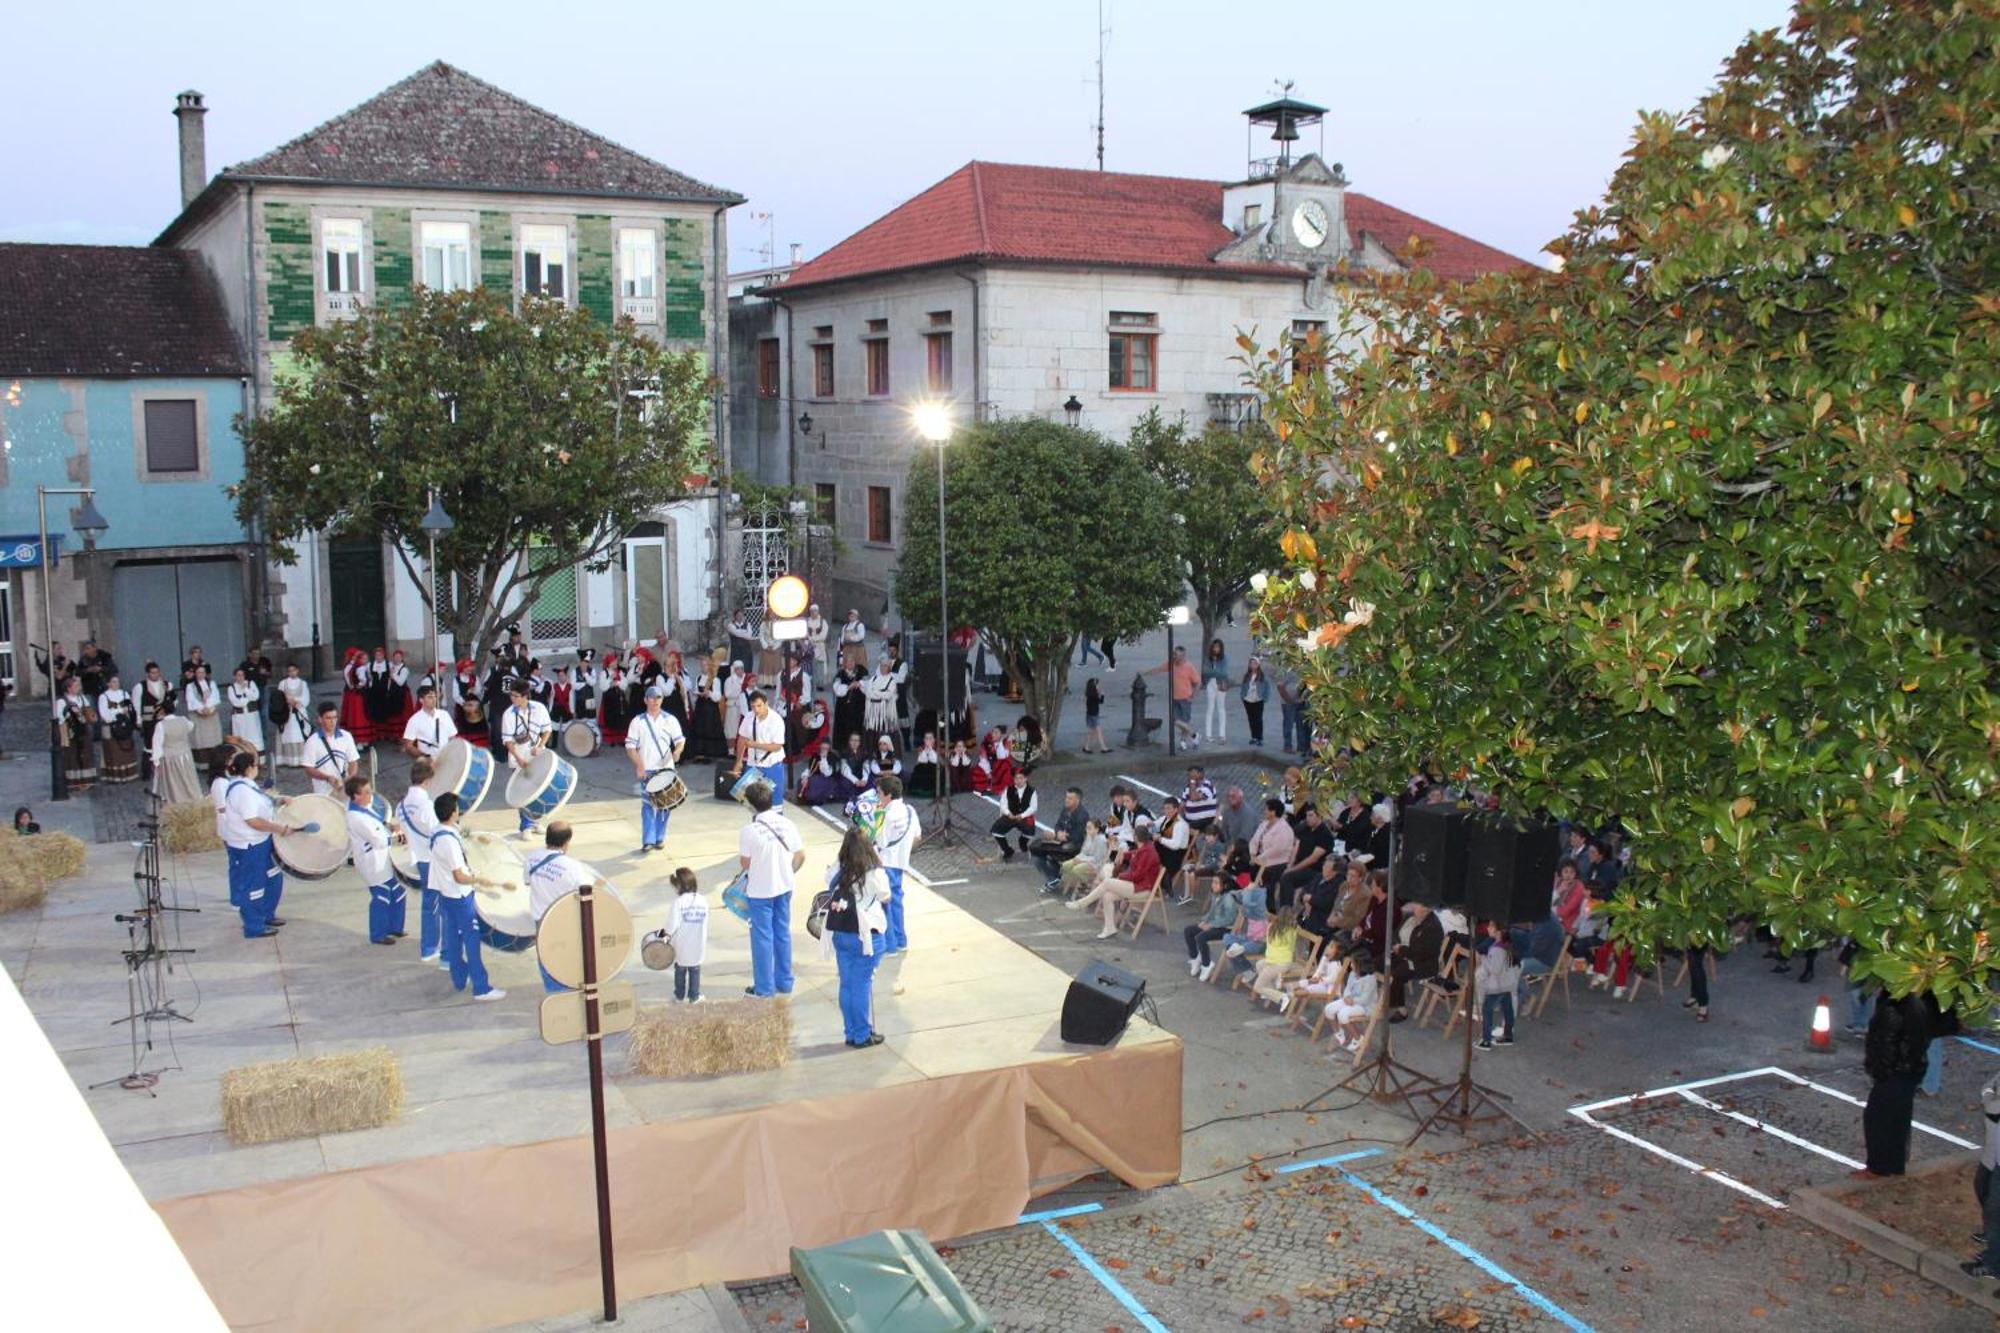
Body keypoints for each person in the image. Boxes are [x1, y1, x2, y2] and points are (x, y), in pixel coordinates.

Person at [427, 793, 506, 1002]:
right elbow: (459, 876)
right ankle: (481, 988)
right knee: (471, 941)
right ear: (453, 812)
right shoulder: (449, 843)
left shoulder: (437, 832)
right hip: (460, 898)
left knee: (453, 940)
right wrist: (478, 880)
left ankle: (460, 978)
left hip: (446, 895)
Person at [823, 825, 892, 1049]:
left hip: (841, 932)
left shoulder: (838, 868)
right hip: (867, 934)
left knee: (847, 984)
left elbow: (827, 879)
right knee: (861, 985)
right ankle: (862, 1034)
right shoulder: (874, 872)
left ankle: (851, 1031)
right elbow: (886, 896)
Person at [738, 781, 805, 996]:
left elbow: (746, 864)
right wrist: (788, 872)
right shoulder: (787, 824)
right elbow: (800, 855)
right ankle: (785, 981)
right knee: (782, 933)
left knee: (762, 938)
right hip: (784, 887)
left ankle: (764, 987)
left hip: (760, 891)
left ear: (751, 805)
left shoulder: (749, 831)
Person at [525, 821, 609, 993]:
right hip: (563, 920)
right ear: (566, 842)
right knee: (567, 957)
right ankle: (565, 990)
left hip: (540, 919)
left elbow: (527, 881)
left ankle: (552, 991)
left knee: (546, 957)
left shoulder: (531, 857)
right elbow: (589, 892)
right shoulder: (572, 867)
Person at [220, 751, 294, 938]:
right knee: (254, 886)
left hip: (261, 841)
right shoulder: (241, 791)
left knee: (273, 877)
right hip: (249, 845)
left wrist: (279, 800)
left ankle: (266, 914)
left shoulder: (247, 786)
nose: (258, 768)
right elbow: (253, 820)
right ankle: (254, 926)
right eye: (256, 765)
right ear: (249, 768)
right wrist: (279, 828)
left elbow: (261, 802)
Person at [1067, 824, 1163, 939]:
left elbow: (1137, 875)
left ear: (1136, 837)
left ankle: (1081, 903)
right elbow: (1135, 854)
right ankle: (1110, 928)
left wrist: (1120, 876)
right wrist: (1124, 854)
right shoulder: (1146, 847)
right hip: (1137, 885)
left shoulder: (1148, 852)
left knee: (1108, 882)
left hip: (1142, 889)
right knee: (1107, 896)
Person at [345, 775, 404, 945]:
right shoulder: (355, 818)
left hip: (383, 859)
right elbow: (377, 841)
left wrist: (389, 825)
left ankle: (395, 927)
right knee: (382, 896)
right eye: (367, 792)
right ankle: (378, 934)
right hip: (373, 862)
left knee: (398, 892)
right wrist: (398, 839)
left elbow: (377, 821)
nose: (371, 795)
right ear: (356, 796)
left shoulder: (362, 807)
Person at [627, 688, 686, 853]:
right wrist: (639, 765)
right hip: (647, 770)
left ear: (662, 699)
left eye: (658, 698)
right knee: (647, 806)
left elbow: (680, 740)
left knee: (665, 806)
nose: (655, 701)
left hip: (666, 769)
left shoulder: (671, 720)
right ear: (645, 700)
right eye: (651, 698)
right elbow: (630, 747)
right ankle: (648, 840)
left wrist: (678, 751)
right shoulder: (637, 721)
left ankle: (659, 838)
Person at [399, 758, 445, 965]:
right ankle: (433, 946)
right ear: (427, 781)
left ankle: (429, 945)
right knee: (440, 905)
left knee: (429, 904)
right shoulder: (426, 805)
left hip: (417, 856)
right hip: (432, 859)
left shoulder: (402, 804)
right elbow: (438, 832)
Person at [500, 679, 555, 838]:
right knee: (523, 790)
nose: (513, 699)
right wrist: (518, 759)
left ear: (525, 696)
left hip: (537, 755)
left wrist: (540, 746)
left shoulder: (539, 708)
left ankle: (536, 821)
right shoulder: (508, 714)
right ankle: (525, 826)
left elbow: (547, 730)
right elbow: (507, 741)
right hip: (518, 756)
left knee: (539, 789)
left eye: (516, 696)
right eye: (511, 695)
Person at [871, 774, 920, 952]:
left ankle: (890, 945)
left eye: (879, 793)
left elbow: (881, 841)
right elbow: (917, 837)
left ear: (888, 795)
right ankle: (900, 940)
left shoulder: (886, 814)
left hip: (885, 863)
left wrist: (876, 817)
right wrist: (903, 852)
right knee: (897, 902)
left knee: (886, 903)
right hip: (900, 864)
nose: (877, 797)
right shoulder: (910, 810)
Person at [1964, 1071, 2000, 1283]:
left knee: (1995, 1208)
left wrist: (1991, 1099)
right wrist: (1990, 1097)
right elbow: (1988, 1087)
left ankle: (1994, 1262)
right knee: (1984, 1189)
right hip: (1994, 1151)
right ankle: (1994, 1250)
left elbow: (1993, 1105)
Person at [1030, 787, 1089, 892]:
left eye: (1070, 798)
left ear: (1077, 800)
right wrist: (1057, 833)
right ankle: (1053, 877)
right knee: (1034, 847)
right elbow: (1058, 825)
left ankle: (1054, 878)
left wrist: (1060, 836)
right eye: (1066, 797)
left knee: (1047, 852)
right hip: (1060, 841)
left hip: (1073, 846)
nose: (1066, 800)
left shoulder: (1082, 815)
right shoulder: (1065, 809)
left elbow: (1078, 836)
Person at [735, 689, 788, 806]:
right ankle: (756, 823)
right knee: (751, 803)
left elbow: (777, 746)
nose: (756, 710)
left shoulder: (776, 720)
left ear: (766, 703)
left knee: (774, 804)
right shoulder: (749, 717)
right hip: (753, 764)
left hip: (772, 765)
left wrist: (754, 744)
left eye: (759, 706)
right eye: (753, 706)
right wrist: (738, 762)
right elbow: (742, 739)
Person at [1145, 645, 1201, 750]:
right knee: (1175, 720)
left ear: (1183, 656)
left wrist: (1193, 695)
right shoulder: (1171, 664)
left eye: (1176, 654)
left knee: (1184, 722)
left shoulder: (1189, 667)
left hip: (1185, 698)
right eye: (1174, 654)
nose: (1174, 656)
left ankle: (1183, 742)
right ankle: (1194, 735)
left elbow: (1198, 682)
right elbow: (1159, 669)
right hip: (1175, 697)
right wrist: (1145, 673)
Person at [1326, 950, 1381, 1053]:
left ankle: (1358, 1038)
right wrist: (1346, 996)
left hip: (1365, 1006)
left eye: (1353, 963)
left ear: (1361, 965)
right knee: (1329, 1009)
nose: (1351, 965)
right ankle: (1339, 1033)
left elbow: (1366, 999)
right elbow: (1347, 988)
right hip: (1350, 1000)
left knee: (1343, 1014)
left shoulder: (1370, 979)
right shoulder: (1352, 973)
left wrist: (1353, 1000)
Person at [303, 702, 360, 797]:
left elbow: (353, 761)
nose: (333, 721)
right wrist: (327, 778)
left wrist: (350, 777)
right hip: (322, 792)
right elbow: (308, 768)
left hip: (344, 789)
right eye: (328, 718)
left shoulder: (346, 736)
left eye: (335, 717)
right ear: (320, 719)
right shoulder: (312, 741)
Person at [53, 676, 96, 790]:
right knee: (72, 756)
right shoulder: (62, 701)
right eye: (76, 686)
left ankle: (86, 781)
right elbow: (59, 718)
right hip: (71, 732)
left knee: (85, 754)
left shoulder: (82, 698)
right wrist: (70, 718)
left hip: (83, 730)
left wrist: (89, 716)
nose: (78, 688)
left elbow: (89, 712)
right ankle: (74, 783)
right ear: (68, 688)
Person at [96, 674, 140, 783]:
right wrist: (119, 711)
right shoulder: (104, 697)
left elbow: (131, 708)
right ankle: (115, 776)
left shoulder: (124, 694)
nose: (116, 684)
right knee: (113, 750)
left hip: (124, 726)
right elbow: (104, 715)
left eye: (117, 682)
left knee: (126, 749)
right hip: (111, 727)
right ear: (108, 683)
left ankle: (129, 774)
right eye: (114, 681)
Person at [989, 768, 1039, 862]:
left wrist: (1022, 815)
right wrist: (1008, 813)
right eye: (1016, 778)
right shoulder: (1008, 789)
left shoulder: (1032, 791)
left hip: (1024, 818)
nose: (1018, 781)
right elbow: (1003, 804)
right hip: (1011, 816)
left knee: (1029, 834)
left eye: (1021, 778)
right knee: (996, 831)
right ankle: (1008, 851)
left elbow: (1033, 807)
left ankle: (1023, 846)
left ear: (1025, 779)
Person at [400, 684, 458, 761]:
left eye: (435, 696)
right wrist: (423, 757)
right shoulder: (414, 720)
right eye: (430, 697)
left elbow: (452, 737)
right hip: (427, 761)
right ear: (421, 700)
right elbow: (408, 745)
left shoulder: (444, 714)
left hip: (446, 759)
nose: (434, 700)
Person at [268, 663, 309, 768]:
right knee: (287, 734)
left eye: (294, 670)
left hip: (298, 711)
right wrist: (286, 701)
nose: (292, 672)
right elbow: (278, 698)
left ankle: (301, 759)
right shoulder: (283, 683)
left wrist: (295, 701)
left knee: (299, 734)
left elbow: (306, 698)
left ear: (297, 670)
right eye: (290, 671)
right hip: (286, 713)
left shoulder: (302, 683)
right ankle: (288, 759)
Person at [226, 666, 264, 770]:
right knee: (241, 738)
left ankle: (257, 762)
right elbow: (235, 702)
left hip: (252, 716)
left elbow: (255, 696)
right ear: (235, 677)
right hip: (240, 717)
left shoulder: (251, 684)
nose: (240, 677)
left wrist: (245, 690)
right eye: (238, 675)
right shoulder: (231, 688)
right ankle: (242, 762)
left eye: (242, 675)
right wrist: (246, 699)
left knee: (254, 736)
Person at [1199, 638, 1231, 743]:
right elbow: (1205, 672)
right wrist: (1215, 672)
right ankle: (1208, 735)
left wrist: (1213, 672)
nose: (1215, 648)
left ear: (1221, 648)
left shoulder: (1224, 658)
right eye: (1214, 646)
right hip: (1210, 684)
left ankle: (1222, 735)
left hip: (1221, 684)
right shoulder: (1208, 658)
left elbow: (1224, 673)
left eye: (1217, 647)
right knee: (1210, 708)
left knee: (1221, 708)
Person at [1239, 656, 1269, 747]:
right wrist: (1242, 696)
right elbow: (1243, 686)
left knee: (1258, 719)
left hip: (1258, 700)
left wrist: (1265, 697)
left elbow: (1267, 688)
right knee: (1251, 719)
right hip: (1248, 700)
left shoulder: (1262, 676)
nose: (1252, 665)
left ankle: (1259, 737)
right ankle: (1254, 737)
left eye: (1254, 663)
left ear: (1258, 665)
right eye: (1251, 663)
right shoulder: (1247, 676)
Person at [1080, 677, 1108, 754]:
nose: (1099, 686)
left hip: (1089, 715)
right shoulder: (1094, 695)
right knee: (1098, 732)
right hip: (1094, 716)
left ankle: (1086, 747)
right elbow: (1100, 701)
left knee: (1091, 732)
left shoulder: (1089, 695)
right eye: (1097, 685)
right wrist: (1102, 694)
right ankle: (1103, 748)